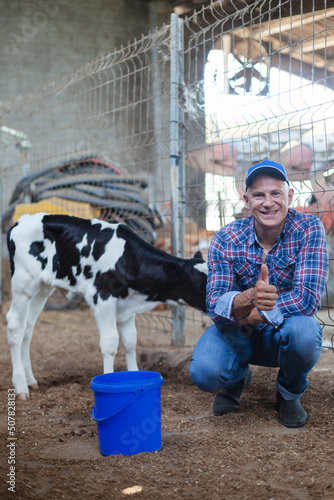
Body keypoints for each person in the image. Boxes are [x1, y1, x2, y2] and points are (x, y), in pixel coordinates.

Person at [189, 159, 329, 428]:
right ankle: (236, 377)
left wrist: (251, 312)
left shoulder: (309, 229)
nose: (268, 202)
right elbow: (216, 307)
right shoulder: (226, 238)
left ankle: (288, 394)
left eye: (275, 193)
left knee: (304, 331)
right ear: (246, 200)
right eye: (259, 195)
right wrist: (251, 295)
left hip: (281, 328)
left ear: (289, 195)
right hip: (242, 331)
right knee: (205, 371)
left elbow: (307, 300)